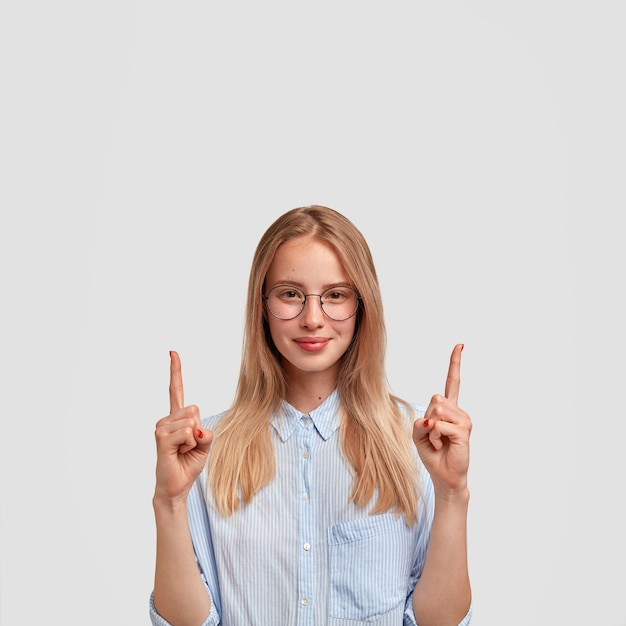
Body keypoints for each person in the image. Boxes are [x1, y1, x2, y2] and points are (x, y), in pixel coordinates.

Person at [150, 205, 473, 626]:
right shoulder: (202, 446)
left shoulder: (420, 441)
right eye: (290, 294)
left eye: (335, 295)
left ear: (362, 306)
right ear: (261, 306)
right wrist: (169, 502)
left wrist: (451, 495)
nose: (313, 319)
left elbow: (437, 623)